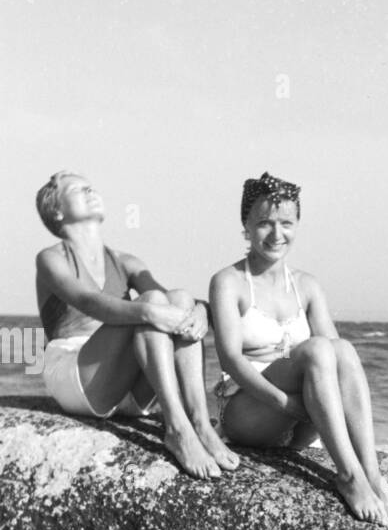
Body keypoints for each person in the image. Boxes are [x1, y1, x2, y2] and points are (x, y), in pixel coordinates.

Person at [209, 172, 388, 524]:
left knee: (341, 349)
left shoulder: (308, 286)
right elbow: (231, 359)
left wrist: (305, 410)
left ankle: (371, 474)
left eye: (286, 223)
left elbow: (335, 357)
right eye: (264, 223)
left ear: (297, 225)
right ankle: (348, 477)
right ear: (246, 226)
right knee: (316, 351)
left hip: (301, 420)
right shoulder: (229, 282)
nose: (276, 234)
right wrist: (288, 404)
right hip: (250, 413)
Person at [35, 170, 238, 480]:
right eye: (79, 189)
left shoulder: (126, 261)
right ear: (58, 210)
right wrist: (150, 312)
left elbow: (169, 302)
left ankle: (198, 421)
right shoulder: (50, 258)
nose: (92, 191)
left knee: (178, 297)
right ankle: (177, 427)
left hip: (124, 389)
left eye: (92, 187)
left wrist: (200, 310)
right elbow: (88, 301)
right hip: (77, 374)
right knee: (152, 304)